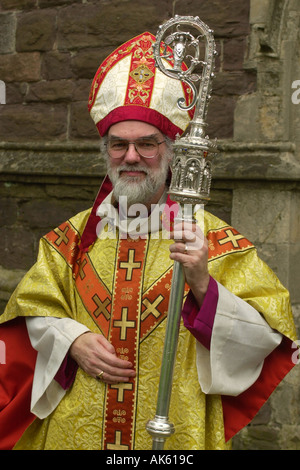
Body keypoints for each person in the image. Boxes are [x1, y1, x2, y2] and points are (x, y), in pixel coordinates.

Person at [0, 32, 297, 451]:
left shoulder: (213, 240)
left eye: (147, 144)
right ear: (106, 151)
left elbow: (269, 336)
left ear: (172, 150)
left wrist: (203, 285)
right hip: (76, 426)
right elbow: (27, 315)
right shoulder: (69, 240)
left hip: (174, 428)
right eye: (119, 145)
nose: (132, 157)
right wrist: (71, 340)